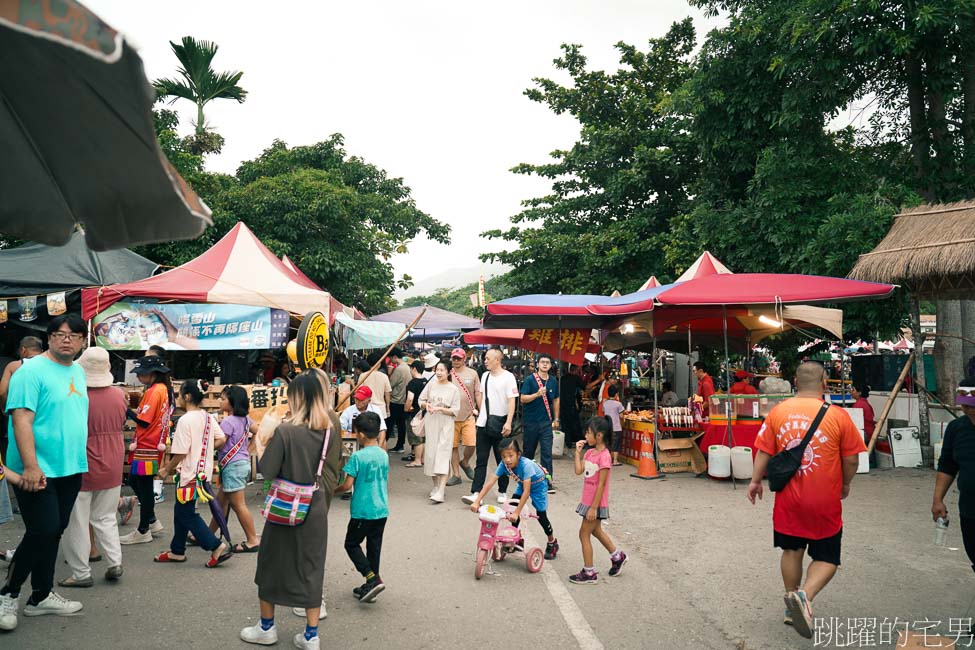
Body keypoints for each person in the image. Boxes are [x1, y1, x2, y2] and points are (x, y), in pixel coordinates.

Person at [747, 362, 866, 639]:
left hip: (788, 497)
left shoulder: (778, 412)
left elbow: (764, 449)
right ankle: (804, 596)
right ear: (825, 381)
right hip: (824, 498)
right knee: (827, 557)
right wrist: (846, 484)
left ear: (794, 382)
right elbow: (851, 459)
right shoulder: (838, 415)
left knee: (791, 551)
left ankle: (792, 605)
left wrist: (754, 481)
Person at [241, 372, 342, 650]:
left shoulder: (285, 431)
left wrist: (264, 440)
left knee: (272, 562)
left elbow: (268, 470)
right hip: (316, 502)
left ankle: (266, 627)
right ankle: (311, 636)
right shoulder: (329, 429)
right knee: (311, 566)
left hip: (287, 504)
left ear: (297, 398)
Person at [0, 314, 90, 629]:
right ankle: (8, 594)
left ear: (81, 341)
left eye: (74, 334)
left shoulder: (78, 371)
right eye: (60, 333)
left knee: (54, 530)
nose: (67, 338)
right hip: (36, 468)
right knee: (42, 530)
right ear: (49, 337)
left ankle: (41, 595)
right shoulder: (31, 371)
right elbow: (21, 418)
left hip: (70, 467)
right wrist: (30, 465)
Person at [60, 347, 127, 587]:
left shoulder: (77, 394)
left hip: (83, 461)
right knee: (106, 516)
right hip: (113, 460)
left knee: (77, 519)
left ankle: (80, 573)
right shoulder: (119, 395)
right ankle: (114, 562)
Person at [154, 379, 231, 567]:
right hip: (202, 472)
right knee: (182, 510)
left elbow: (180, 452)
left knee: (186, 513)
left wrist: (166, 469)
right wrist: (206, 449)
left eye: (180, 395)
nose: (178, 398)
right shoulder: (207, 416)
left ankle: (215, 546)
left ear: (187, 396)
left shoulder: (185, 420)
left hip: (188, 473)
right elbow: (220, 439)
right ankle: (177, 550)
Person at [468, 438, 559, 560]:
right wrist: (477, 501)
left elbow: (526, 492)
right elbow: (490, 482)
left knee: (541, 515)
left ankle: (552, 542)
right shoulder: (504, 465)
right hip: (523, 483)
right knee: (512, 507)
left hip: (538, 485)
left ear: (518, 454)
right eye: (504, 456)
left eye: (511, 455)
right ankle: (515, 539)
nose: (507, 460)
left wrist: (517, 512)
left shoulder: (526, 465)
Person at [335, 411, 388, 602]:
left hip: (362, 510)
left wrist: (332, 491)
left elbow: (347, 485)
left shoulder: (357, 457)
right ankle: (371, 585)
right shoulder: (383, 455)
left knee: (351, 544)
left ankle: (371, 577)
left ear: (362, 434)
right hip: (381, 509)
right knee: (374, 547)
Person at [119, 355, 173, 545]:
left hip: (147, 444)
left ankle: (143, 530)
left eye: (141, 374)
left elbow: (144, 420)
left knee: (144, 486)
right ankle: (151, 520)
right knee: (137, 481)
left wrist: (125, 409)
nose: (139, 377)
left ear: (151, 374)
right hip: (152, 443)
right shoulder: (164, 389)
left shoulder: (154, 391)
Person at [569, 416, 627, 584]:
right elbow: (579, 471)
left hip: (596, 504)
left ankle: (589, 572)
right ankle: (617, 556)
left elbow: (601, 485)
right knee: (595, 531)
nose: (585, 436)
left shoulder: (605, 456)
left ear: (599, 435)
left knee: (583, 534)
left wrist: (593, 508)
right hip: (588, 502)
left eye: (588, 433)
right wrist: (577, 454)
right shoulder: (589, 453)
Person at [0, 336, 43, 541]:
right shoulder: (50, 366)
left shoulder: (15, 366)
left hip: (20, 421)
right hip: (45, 425)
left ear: (24, 350)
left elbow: (2, 392)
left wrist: (6, 409)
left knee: (20, 460)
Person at [463, 349, 520, 505]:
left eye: (488, 358)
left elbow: (511, 401)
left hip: (500, 424)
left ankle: (502, 491)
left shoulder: (509, 378)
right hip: (483, 423)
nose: (485, 361)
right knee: (481, 459)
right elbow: (480, 394)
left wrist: (508, 422)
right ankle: (476, 492)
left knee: (502, 459)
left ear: (497, 359)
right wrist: (482, 412)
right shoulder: (485, 376)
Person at [210, 385, 261, 553]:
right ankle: (207, 535)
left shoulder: (228, 421)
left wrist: (206, 447)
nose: (220, 400)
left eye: (223, 398)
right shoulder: (246, 420)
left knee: (239, 505)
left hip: (232, 466)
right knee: (220, 503)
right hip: (240, 464)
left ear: (232, 403)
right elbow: (258, 431)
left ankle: (252, 539)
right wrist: (249, 448)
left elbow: (221, 442)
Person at [932, 376, 975, 574]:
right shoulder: (956, 429)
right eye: (966, 406)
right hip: (970, 510)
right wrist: (938, 499)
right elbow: (947, 465)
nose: (970, 411)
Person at [418, 360, 461, 504]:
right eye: (437, 369)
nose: (439, 372)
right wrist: (427, 405)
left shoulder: (453, 389)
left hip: (446, 424)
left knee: (443, 455)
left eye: (442, 370)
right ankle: (436, 486)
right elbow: (421, 400)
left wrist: (441, 409)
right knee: (431, 455)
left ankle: (441, 491)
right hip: (431, 422)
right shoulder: (431, 384)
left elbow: (455, 410)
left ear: (449, 372)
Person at [520, 354, 560, 493]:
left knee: (546, 452)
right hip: (531, 422)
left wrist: (556, 418)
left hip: (546, 422)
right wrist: (536, 394)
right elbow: (523, 399)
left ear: (550, 365)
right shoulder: (530, 380)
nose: (544, 364)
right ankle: (526, 481)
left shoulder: (553, 381)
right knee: (528, 452)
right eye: (542, 362)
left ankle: (547, 482)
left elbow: (555, 400)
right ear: (537, 364)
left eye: (547, 362)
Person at [448, 347, 481, 486]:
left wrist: (481, 410)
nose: (456, 361)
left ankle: (465, 462)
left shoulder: (472, 374)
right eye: (454, 358)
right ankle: (456, 475)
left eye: (458, 358)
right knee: (453, 447)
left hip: (468, 415)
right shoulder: (447, 373)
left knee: (471, 443)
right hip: (451, 416)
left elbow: (478, 393)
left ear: (464, 359)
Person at [402, 361, 428, 467]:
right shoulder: (426, 381)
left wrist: (407, 408)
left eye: (411, 368)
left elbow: (410, 398)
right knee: (423, 437)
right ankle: (422, 459)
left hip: (414, 414)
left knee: (416, 438)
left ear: (414, 369)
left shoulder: (412, 383)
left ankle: (417, 460)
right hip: (424, 412)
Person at [386, 348, 411, 453]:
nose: (390, 360)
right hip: (403, 400)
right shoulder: (407, 367)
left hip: (396, 400)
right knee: (401, 424)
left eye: (391, 358)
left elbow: (390, 385)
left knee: (389, 423)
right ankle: (400, 445)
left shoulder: (399, 369)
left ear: (394, 357)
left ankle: (384, 442)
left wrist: (389, 373)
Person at [559, 364, 584, 446]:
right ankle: (578, 441)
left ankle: (567, 442)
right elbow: (585, 387)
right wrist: (598, 380)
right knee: (575, 423)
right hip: (571, 405)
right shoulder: (576, 378)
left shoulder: (562, 378)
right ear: (576, 370)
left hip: (562, 405)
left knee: (565, 424)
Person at [602, 385, 625, 466]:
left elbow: (604, 412)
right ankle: (615, 461)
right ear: (616, 394)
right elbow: (621, 416)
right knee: (616, 444)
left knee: (608, 444)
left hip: (607, 426)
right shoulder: (618, 404)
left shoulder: (605, 404)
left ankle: (607, 460)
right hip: (616, 427)